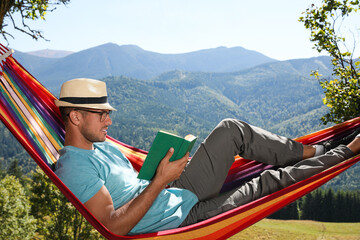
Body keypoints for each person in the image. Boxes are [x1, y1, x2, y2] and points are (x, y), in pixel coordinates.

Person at [54, 78, 360, 236]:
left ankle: (312, 150)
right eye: (101, 114)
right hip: (182, 219)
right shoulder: (74, 168)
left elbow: (132, 186)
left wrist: (163, 169)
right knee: (266, 182)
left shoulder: (102, 146)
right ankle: (346, 151)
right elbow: (114, 227)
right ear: (76, 117)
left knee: (230, 130)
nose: (109, 120)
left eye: (109, 113)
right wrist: (161, 179)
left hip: (175, 190)